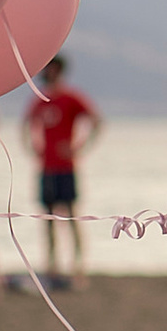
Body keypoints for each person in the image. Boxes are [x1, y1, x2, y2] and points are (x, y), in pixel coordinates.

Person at [27, 56, 101, 283]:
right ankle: (51, 265)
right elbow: (27, 125)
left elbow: (96, 121)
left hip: (66, 167)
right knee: (48, 218)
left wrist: (78, 148)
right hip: (46, 167)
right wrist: (34, 148)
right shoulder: (39, 99)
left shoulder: (71, 98)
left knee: (71, 216)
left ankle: (78, 266)